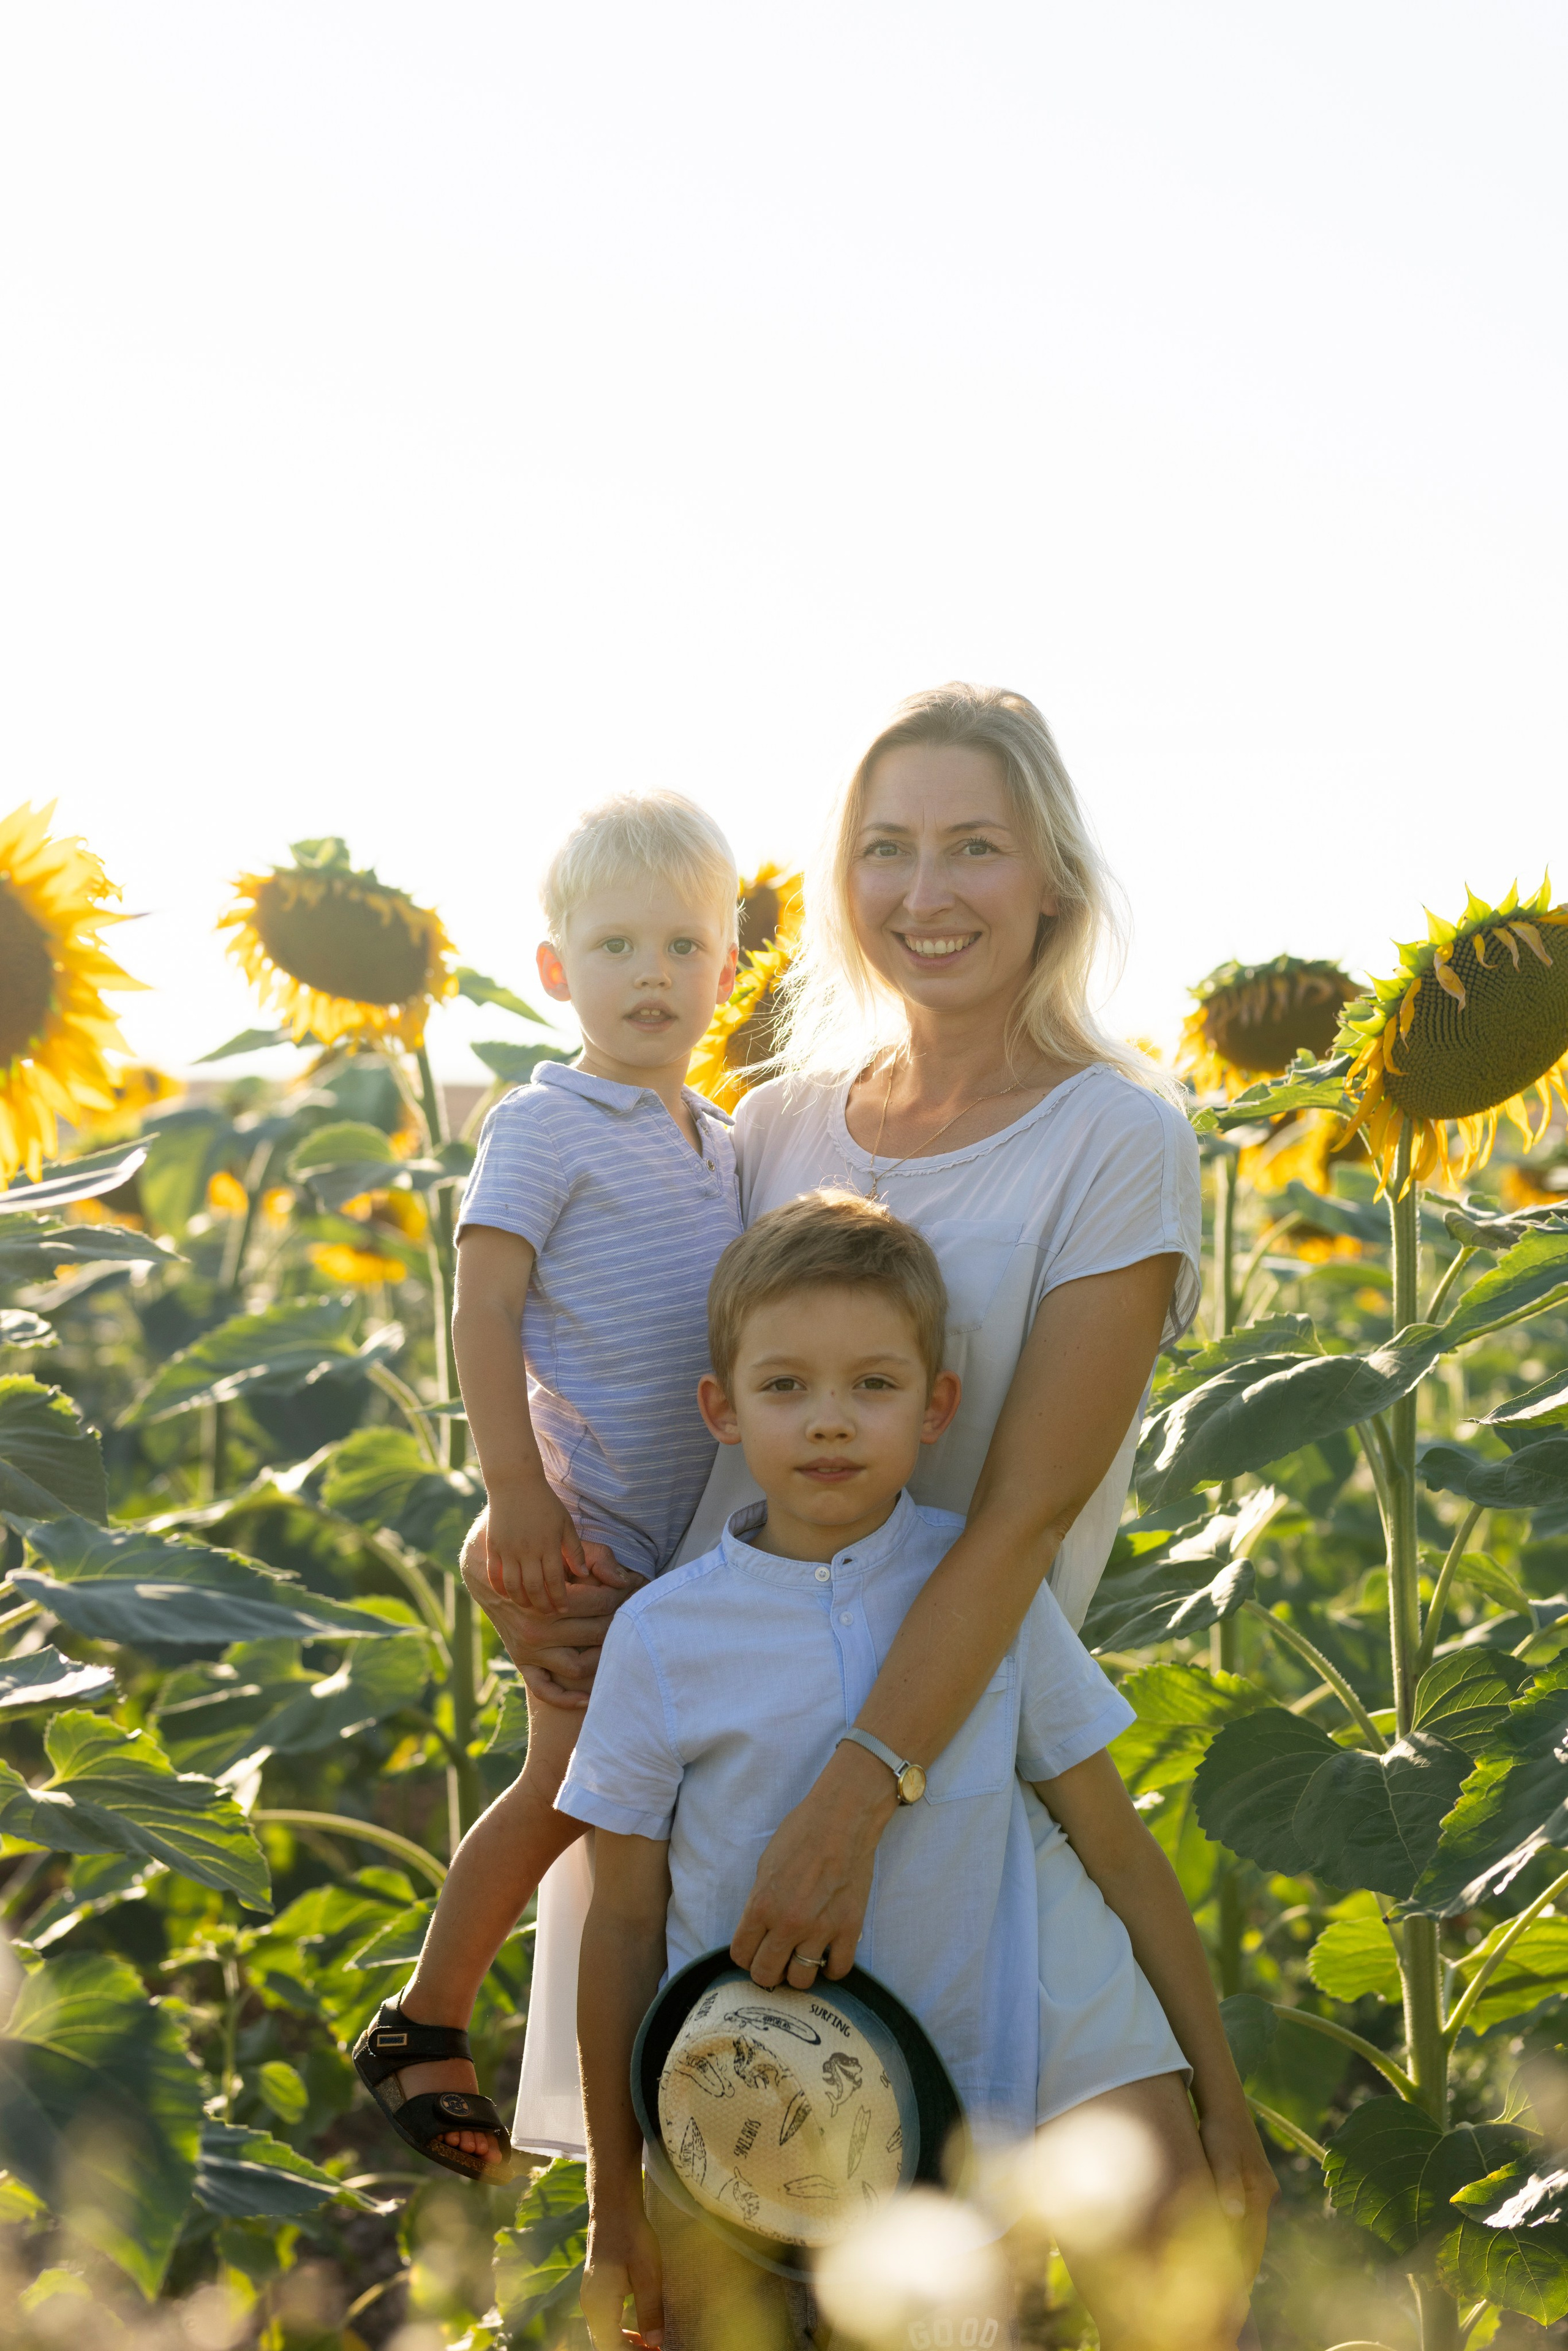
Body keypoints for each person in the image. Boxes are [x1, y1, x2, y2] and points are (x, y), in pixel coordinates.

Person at [468, 683, 1277, 2278]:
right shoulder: (766, 1121)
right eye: (887, 848)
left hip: (967, 1737)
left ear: (1052, 873)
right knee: (763, 2260)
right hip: (727, 1743)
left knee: (1164, 2237)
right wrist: (543, 1566)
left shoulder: (1118, 1138)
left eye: (973, 846)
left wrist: (859, 1787)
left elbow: (1029, 1508)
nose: (925, 891)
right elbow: (633, 1378)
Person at [567, 1192, 1253, 2351]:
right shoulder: (660, 1637)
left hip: (976, 2128)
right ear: (720, 1409)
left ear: (938, 1407)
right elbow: (624, 1918)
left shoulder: (980, 1599)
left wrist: (1222, 2101)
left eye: (873, 1385)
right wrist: (613, 2199)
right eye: (785, 1386)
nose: (829, 1421)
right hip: (749, 2145)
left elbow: (1115, 1842)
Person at [353, 790, 744, 2175]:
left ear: (729, 970)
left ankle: (647, 2101)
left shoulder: (723, 1139)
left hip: (681, 1543)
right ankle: (425, 2012)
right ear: (554, 971)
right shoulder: (544, 1121)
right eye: (618, 944)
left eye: (685, 945)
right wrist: (507, 1487)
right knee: (570, 1784)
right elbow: (483, 1304)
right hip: (581, 1525)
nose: (653, 974)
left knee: (629, 1804)